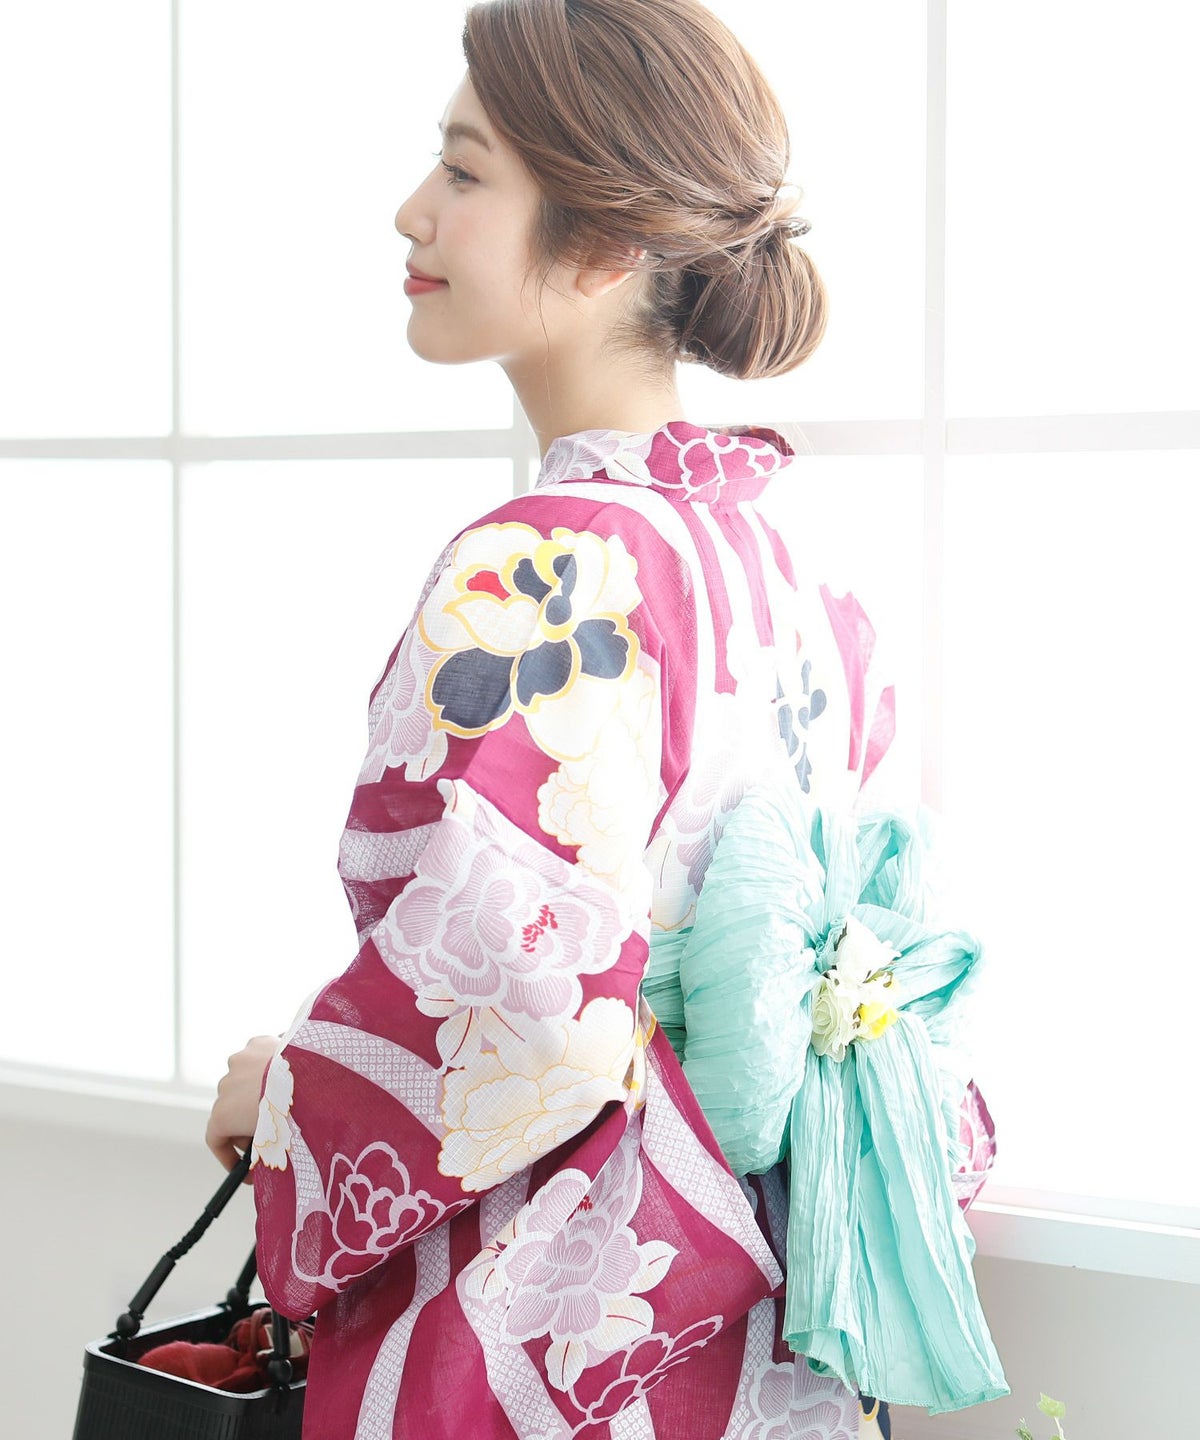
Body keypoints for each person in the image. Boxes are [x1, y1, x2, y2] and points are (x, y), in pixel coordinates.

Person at [206, 1, 910, 1434]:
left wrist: (286, 1106)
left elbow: (517, 1005)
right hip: (759, 1297)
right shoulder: (797, 566)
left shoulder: (545, 570)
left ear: (604, 247)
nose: (413, 209)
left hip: (547, 1314)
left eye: (466, 172)